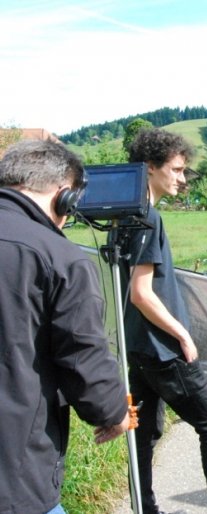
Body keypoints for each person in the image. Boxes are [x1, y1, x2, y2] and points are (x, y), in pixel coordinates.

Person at [119, 128, 207, 514]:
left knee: (144, 434)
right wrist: (183, 336)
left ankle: (145, 509)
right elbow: (140, 293)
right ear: (150, 168)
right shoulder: (148, 217)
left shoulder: (124, 214)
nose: (181, 178)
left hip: (138, 346)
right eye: (175, 170)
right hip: (162, 348)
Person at [0, 140, 131, 514]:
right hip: (15, 478)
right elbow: (82, 352)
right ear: (65, 197)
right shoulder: (61, 258)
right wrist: (113, 413)